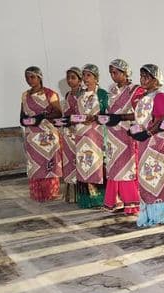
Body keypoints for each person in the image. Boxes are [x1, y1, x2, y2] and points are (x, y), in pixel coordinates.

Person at [129, 64, 164, 227]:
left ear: (156, 79)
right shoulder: (142, 98)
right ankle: (148, 213)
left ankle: (161, 214)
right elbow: (140, 120)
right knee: (145, 179)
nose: (142, 80)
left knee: (156, 177)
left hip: (157, 143)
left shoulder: (160, 97)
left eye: (146, 77)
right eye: (141, 76)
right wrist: (133, 131)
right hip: (143, 143)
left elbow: (163, 120)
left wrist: (147, 133)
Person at [103, 59, 145, 215]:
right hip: (113, 136)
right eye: (111, 73)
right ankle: (117, 200)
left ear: (126, 72)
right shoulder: (112, 91)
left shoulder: (135, 90)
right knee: (114, 168)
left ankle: (131, 203)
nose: (113, 76)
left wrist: (120, 117)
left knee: (127, 168)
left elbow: (140, 113)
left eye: (116, 72)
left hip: (127, 135)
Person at [19, 66, 63, 202]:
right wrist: (27, 121)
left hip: (48, 135)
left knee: (49, 163)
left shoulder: (50, 94)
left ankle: (51, 192)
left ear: (40, 78)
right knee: (35, 164)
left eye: (32, 77)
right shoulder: (25, 95)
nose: (29, 80)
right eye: (27, 77)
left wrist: (43, 115)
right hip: (32, 136)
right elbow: (22, 116)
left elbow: (58, 113)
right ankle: (38, 193)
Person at [72, 64, 108, 208]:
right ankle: (87, 200)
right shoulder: (80, 95)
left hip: (97, 135)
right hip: (82, 136)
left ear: (96, 77)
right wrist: (77, 118)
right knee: (83, 165)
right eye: (84, 75)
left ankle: (100, 198)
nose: (85, 79)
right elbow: (76, 114)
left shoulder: (103, 94)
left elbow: (107, 113)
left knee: (97, 165)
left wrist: (95, 117)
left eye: (89, 75)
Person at [59, 66, 84, 204]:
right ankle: (71, 195)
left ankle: (83, 194)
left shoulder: (83, 94)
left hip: (80, 132)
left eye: (73, 77)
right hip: (68, 133)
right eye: (68, 77)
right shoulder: (68, 95)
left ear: (80, 80)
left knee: (80, 161)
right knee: (69, 161)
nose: (70, 80)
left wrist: (72, 120)